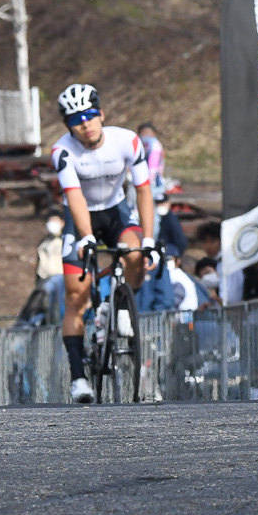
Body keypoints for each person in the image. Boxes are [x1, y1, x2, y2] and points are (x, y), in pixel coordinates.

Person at [51, 83, 156, 404]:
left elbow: (143, 190)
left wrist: (149, 237)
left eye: (90, 116)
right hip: (80, 216)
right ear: (69, 126)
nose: (85, 124)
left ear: (102, 115)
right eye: (76, 120)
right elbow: (74, 196)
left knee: (136, 254)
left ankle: (122, 305)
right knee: (75, 295)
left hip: (116, 214)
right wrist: (84, 236)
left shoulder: (128, 141)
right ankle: (78, 377)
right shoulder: (63, 151)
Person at [137, 122, 167, 201]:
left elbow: (153, 167)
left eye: (147, 132)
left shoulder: (154, 146)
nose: (145, 135)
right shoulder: (148, 145)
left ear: (153, 133)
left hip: (153, 184)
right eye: (143, 133)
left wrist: (147, 183)